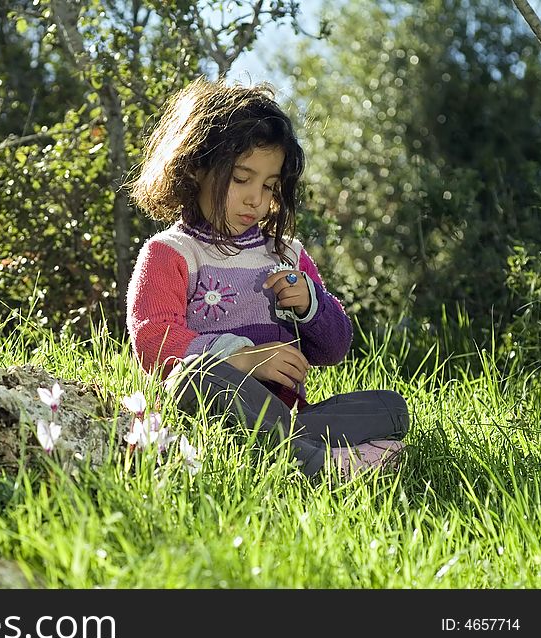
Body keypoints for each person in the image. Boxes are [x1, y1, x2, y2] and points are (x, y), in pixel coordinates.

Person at [125, 77, 409, 479]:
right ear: (194, 170)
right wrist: (242, 358)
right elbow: (153, 342)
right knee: (195, 377)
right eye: (241, 179)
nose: (256, 199)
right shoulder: (171, 252)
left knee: (391, 408)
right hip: (211, 410)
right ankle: (319, 463)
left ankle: (290, 447)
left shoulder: (287, 254)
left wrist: (312, 305)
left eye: (270, 186)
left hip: (286, 416)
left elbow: (334, 348)